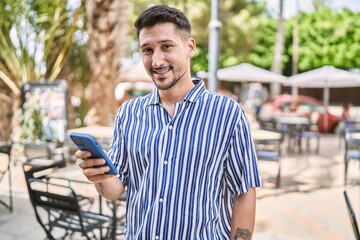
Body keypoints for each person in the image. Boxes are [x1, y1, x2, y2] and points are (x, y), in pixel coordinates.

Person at [76, 5, 261, 239]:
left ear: (189, 47)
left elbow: (244, 193)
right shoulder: (129, 113)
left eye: (166, 46)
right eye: (147, 50)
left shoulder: (228, 114)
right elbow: (116, 190)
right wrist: (100, 176)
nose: (156, 61)